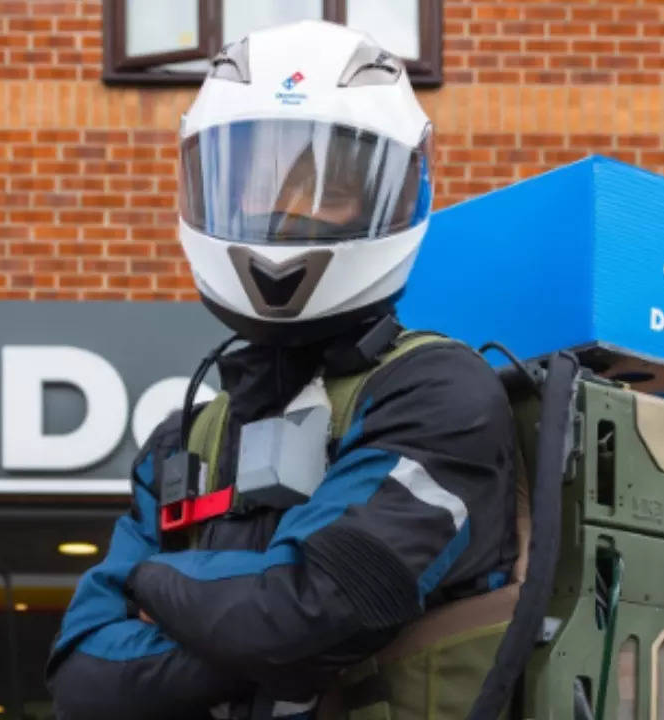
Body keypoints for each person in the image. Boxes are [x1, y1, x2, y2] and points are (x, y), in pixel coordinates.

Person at [46, 20, 518, 720]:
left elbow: (309, 612)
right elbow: (84, 680)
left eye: (326, 188)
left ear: (392, 192)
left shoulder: (439, 395)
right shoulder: (185, 441)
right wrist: (248, 633)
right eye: (256, 181)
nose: (286, 212)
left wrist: (148, 582)